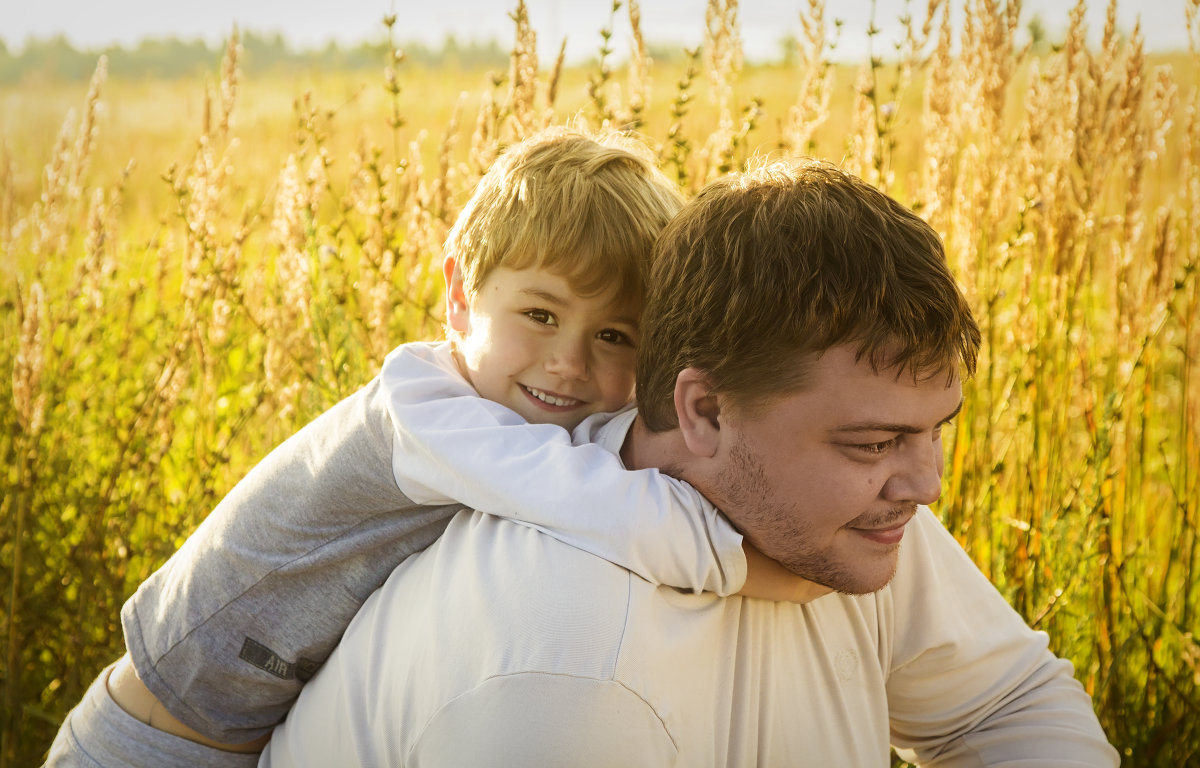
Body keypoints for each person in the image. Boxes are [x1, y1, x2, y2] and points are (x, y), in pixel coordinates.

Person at [261, 158, 1120, 766]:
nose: (925, 486)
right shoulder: (564, 673)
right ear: (702, 411)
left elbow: (1006, 706)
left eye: (932, 430)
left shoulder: (847, 519)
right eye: (872, 443)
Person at [46, 127, 812, 767]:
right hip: (152, 736)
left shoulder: (525, 414)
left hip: (251, 735)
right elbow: (593, 499)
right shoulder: (424, 414)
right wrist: (749, 563)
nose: (568, 361)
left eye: (614, 335)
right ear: (458, 295)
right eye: (540, 315)